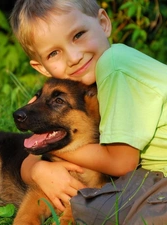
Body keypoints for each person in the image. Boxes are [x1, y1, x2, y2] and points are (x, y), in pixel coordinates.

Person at [10, 0, 167, 223]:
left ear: (103, 23)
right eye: (54, 53)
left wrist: (52, 146)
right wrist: (38, 168)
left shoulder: (114, 66)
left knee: (96, 206)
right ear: (42, 68)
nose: (74, 57)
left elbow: (121, 163)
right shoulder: (96, 82)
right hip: (151, 175)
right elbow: (29, 162)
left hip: (156, 179)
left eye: (78, 35)